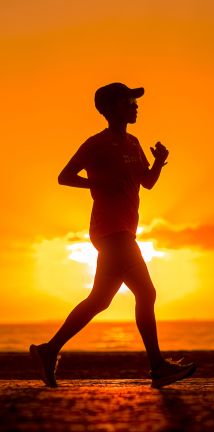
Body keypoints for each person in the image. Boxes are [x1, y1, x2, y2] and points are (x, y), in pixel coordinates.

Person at [29, 83, 196, 388]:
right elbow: (64, 177)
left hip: (125, 229)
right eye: (129, 101)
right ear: (110, 108)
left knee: (99, 300)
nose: (135, 105)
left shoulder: (134, 143)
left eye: (135, 101)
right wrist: (98, 185)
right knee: (146, 293)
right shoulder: (96, 144)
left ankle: (48, 350)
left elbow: (147, 183)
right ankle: (157, 367)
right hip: (110, 231)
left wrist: (158, 162)